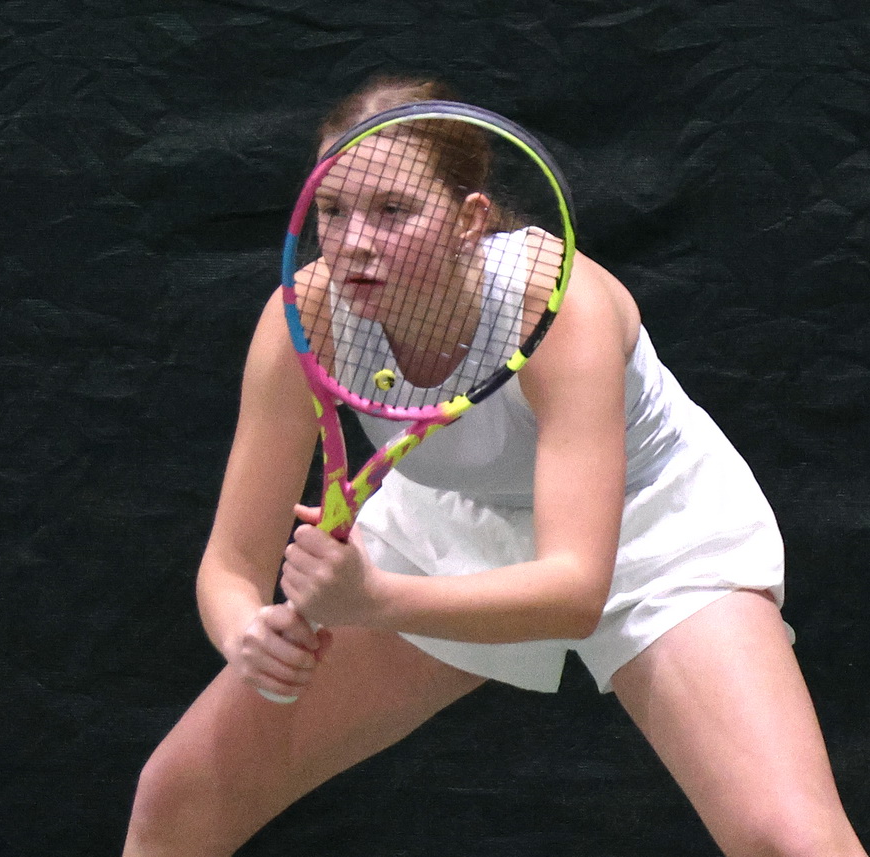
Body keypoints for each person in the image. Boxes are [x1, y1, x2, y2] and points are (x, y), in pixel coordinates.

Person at [122, 75, 865, 857]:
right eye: (332, 210)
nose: (354, 241)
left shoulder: (560, 304)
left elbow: (573, 590)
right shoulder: (305, 318)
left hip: (650, 528)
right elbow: (231, 563)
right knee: (179, 797)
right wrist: (246, 632)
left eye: (392, 210)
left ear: (468, 219)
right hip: (443, 524)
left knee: (789, 840)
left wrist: (373, 599)